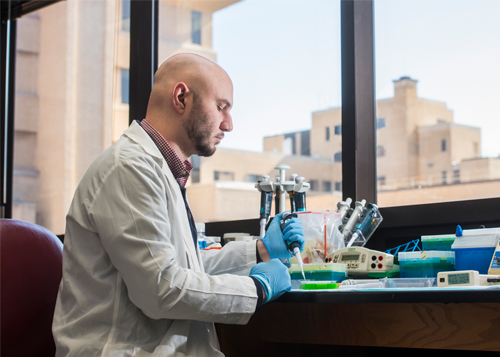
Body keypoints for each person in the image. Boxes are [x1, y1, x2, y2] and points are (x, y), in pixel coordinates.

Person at [52, 53, 305, 357]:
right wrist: (256, 289)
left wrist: (259, 251)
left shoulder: (161, 170)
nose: (229, 124)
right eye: (221, 106)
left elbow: (181, 267)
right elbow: (162, 289)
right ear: (181, 97)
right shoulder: (128, 168)